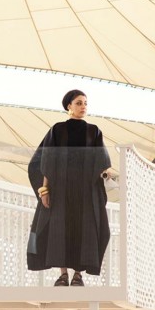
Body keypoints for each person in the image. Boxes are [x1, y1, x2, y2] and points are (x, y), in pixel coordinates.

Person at [27, 90, 112, 286]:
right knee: (59, 230)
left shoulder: (94, 131)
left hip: (85, 192)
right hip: (60, 191)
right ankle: (63, 274)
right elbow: (47, 161)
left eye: (85, 103)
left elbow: (101, 160)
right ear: (69, 106)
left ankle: (78, 275)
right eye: (79, 103)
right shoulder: (57, 130)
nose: (83, 107)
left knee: (84, 230)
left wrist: (106, 172)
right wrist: (44, 191)